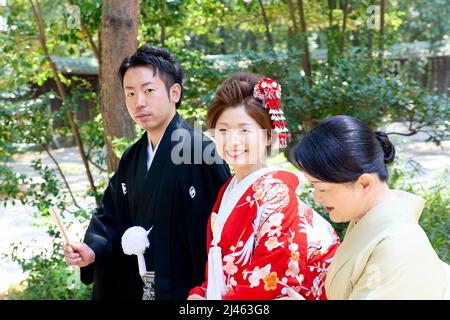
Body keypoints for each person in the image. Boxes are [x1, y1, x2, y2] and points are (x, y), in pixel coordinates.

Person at [63, 45, 230, 300]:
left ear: (175, 92)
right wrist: (92, 250)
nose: (138, 102)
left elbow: (223, 229)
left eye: (148, 91)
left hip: (188, 289)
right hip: (140, 287)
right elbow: (110, 216)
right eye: (130, 93)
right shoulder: (132, 157)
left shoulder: (200, 150)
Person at [188, 72, 340, 300]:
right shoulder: (230, 188)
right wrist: (201, 293)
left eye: (244, 130)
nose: (232, 141)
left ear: (269, 136)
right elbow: (222, 264)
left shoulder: (278, 194)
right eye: (223, 130)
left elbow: (269, 281)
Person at [289, 115, 449, 299]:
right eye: (313, 187)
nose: (317, 197)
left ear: (364, 184)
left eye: (323, 188)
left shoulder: (398, 245)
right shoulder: (368, 222)